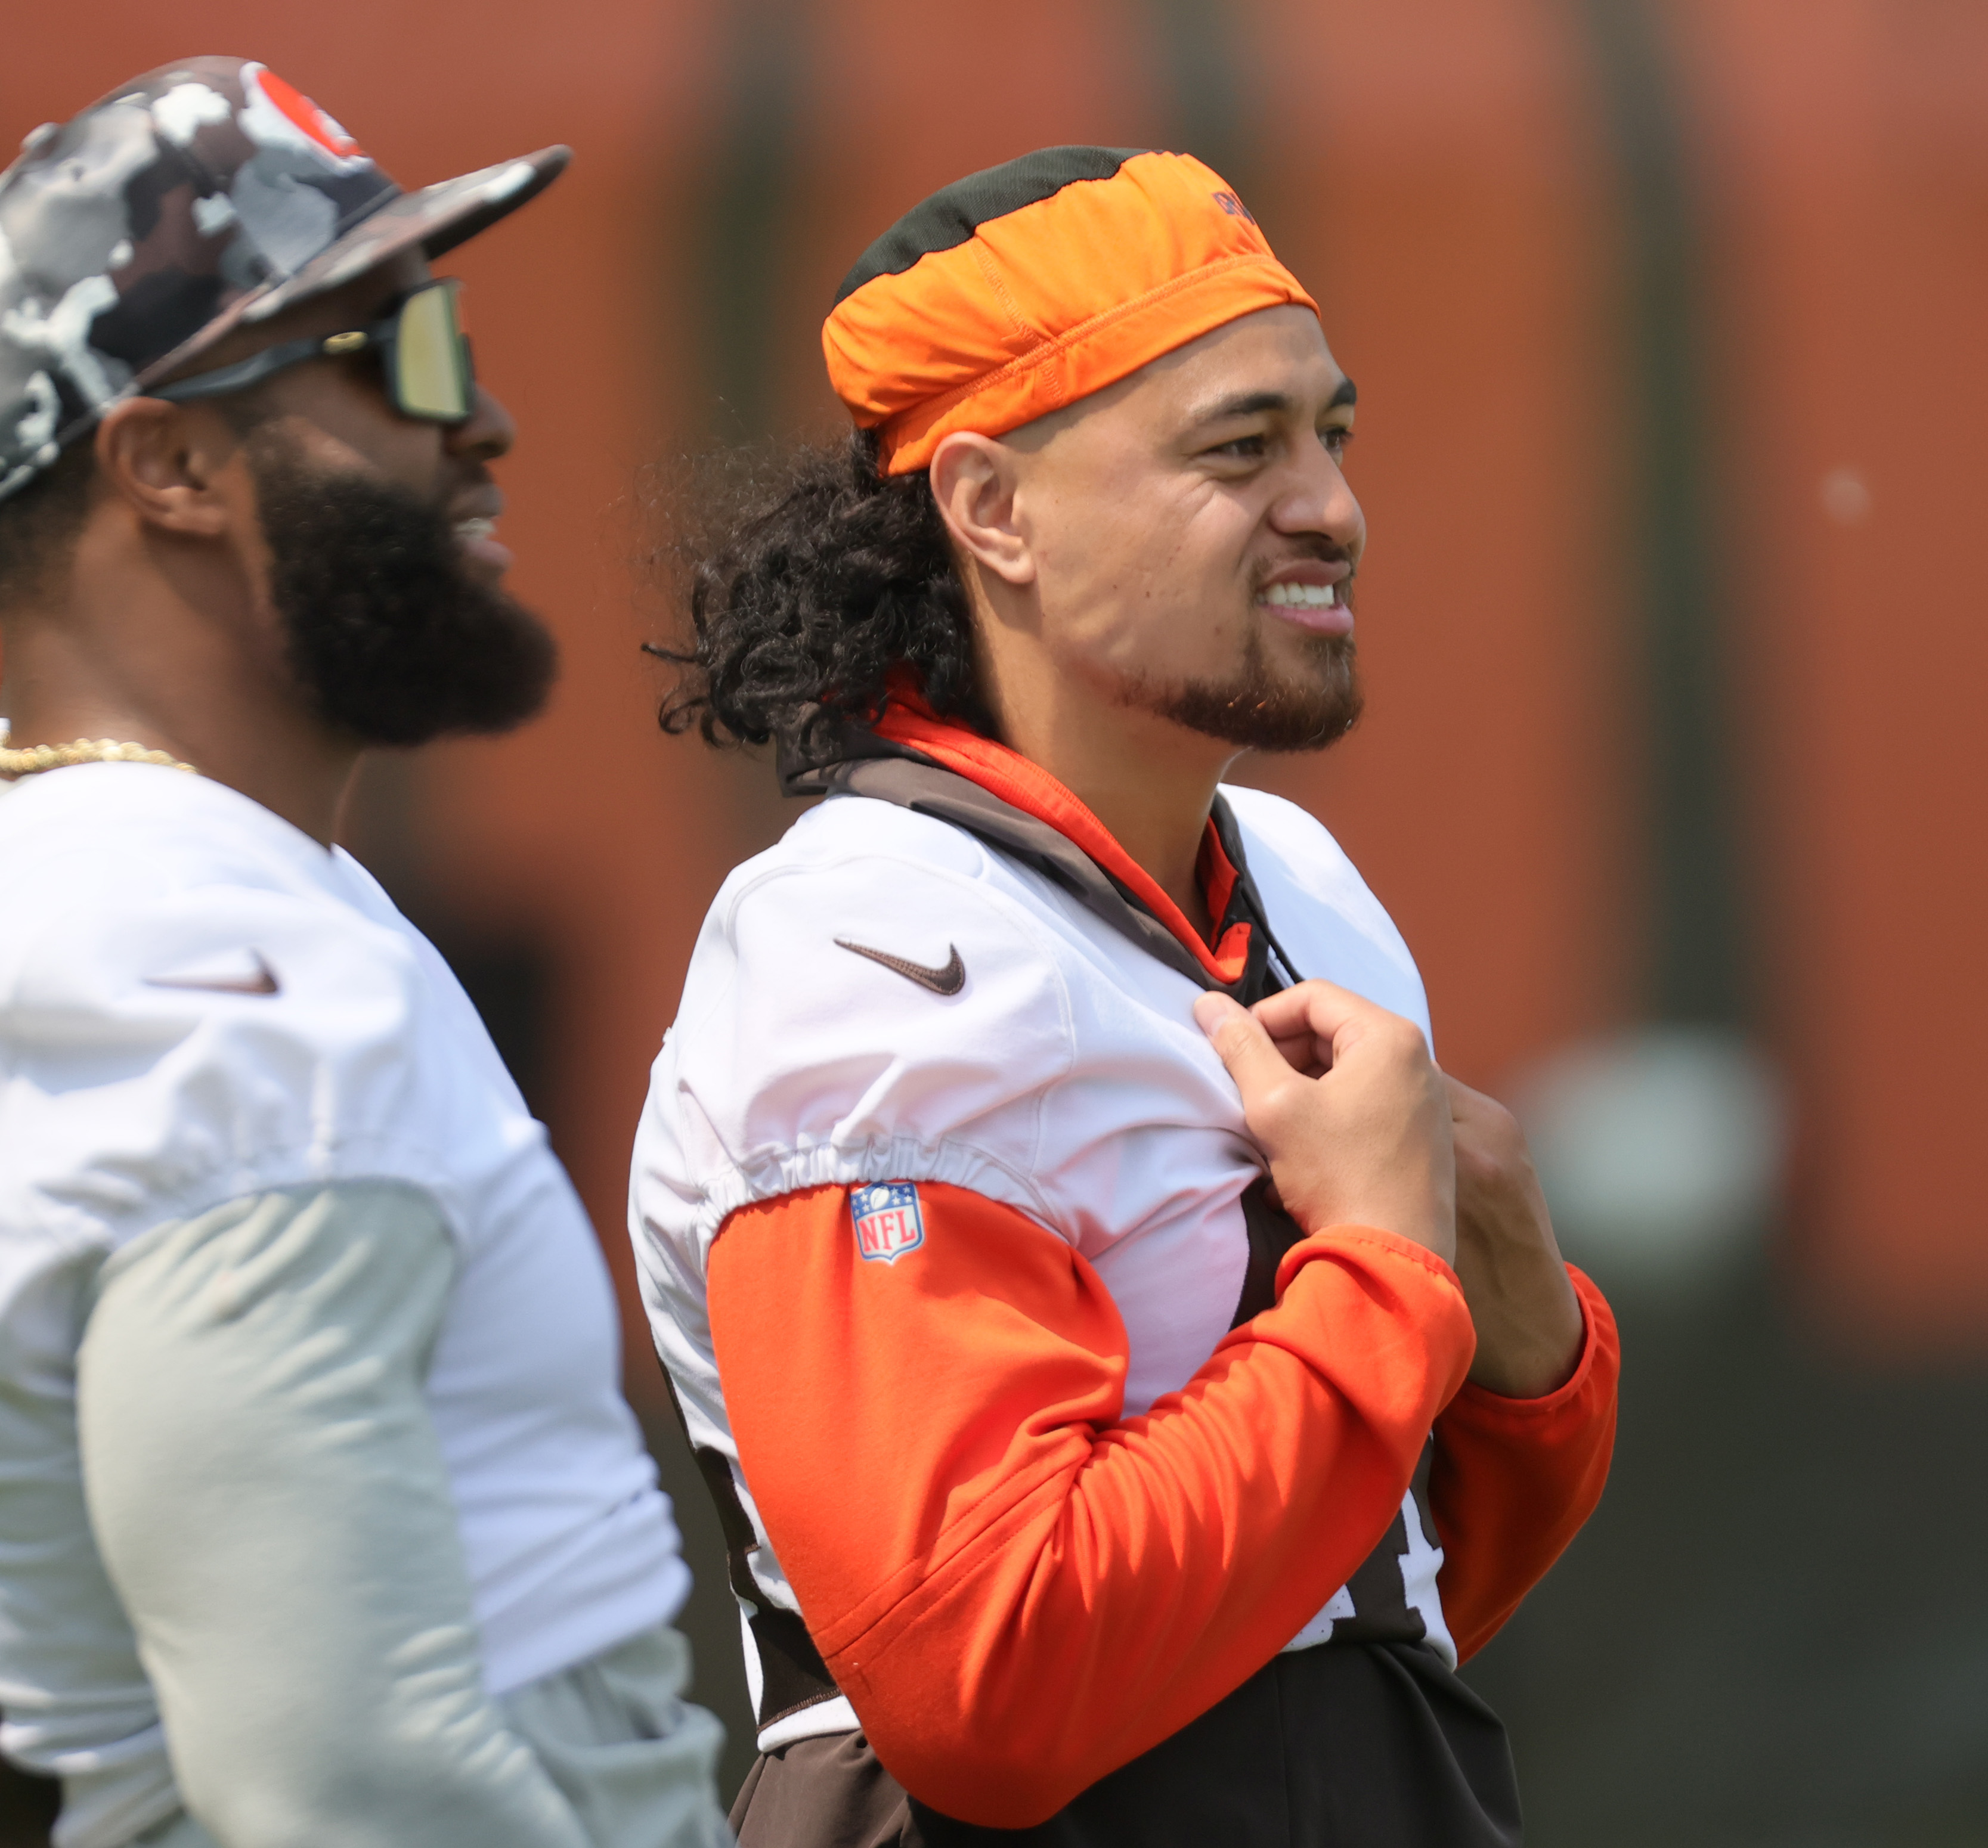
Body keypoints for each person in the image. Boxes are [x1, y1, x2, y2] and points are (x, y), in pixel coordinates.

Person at [0, 57, 729, 1848]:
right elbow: (350, 1789)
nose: (479, 417)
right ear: (173, 461)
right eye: (396, 353)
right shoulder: (237, 1007)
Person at [631, 147, 1619, 1844]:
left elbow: (1376, 1588)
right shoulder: (871, 945)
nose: (1331, 503)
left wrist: (1532, 1356)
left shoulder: (1301, 877)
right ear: (991, 506)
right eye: (1241, 448)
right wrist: (1385, 1273)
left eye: (1334, 433)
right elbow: (989, 1681)